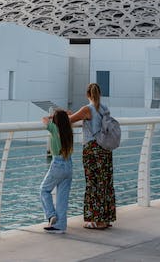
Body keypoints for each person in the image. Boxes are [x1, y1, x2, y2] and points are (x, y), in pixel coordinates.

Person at [68, 83, 115, 229]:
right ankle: (106, 219)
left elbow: (69, 120)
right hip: (105, 149)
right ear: (99, 94)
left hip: (92, 150)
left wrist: (63, 115)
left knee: (93, 183)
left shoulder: (86, 109)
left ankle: (97, 221)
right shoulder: (104, 108)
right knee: (105, 183)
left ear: (87, 95)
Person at [40, 109, 74, 234]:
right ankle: (60, 226)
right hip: (68, 164)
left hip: (57, 164)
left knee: (44, 190)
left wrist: (51, 117)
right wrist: (64, 114)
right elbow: (70, 115)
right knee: (62, 197)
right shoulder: (69, 129)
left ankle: (51, 215)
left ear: (55, 120)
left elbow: (44, 120)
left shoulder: (54, 128)